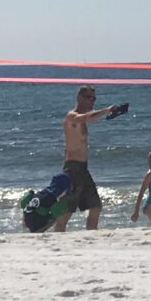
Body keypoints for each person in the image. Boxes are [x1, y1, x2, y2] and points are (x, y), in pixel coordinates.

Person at [54, 85, 126, 232]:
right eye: (88, 98)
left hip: (83, 168)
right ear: (79, 98)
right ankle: (57, 236)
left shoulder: (83, 119)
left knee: (95, 206)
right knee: (66, 211)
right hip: (72, 168)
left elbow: (89, 116)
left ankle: (91, 236)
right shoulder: (72, 116)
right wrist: (107, 110)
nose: (92, 101)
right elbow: (85, 117)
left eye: (94, 98)